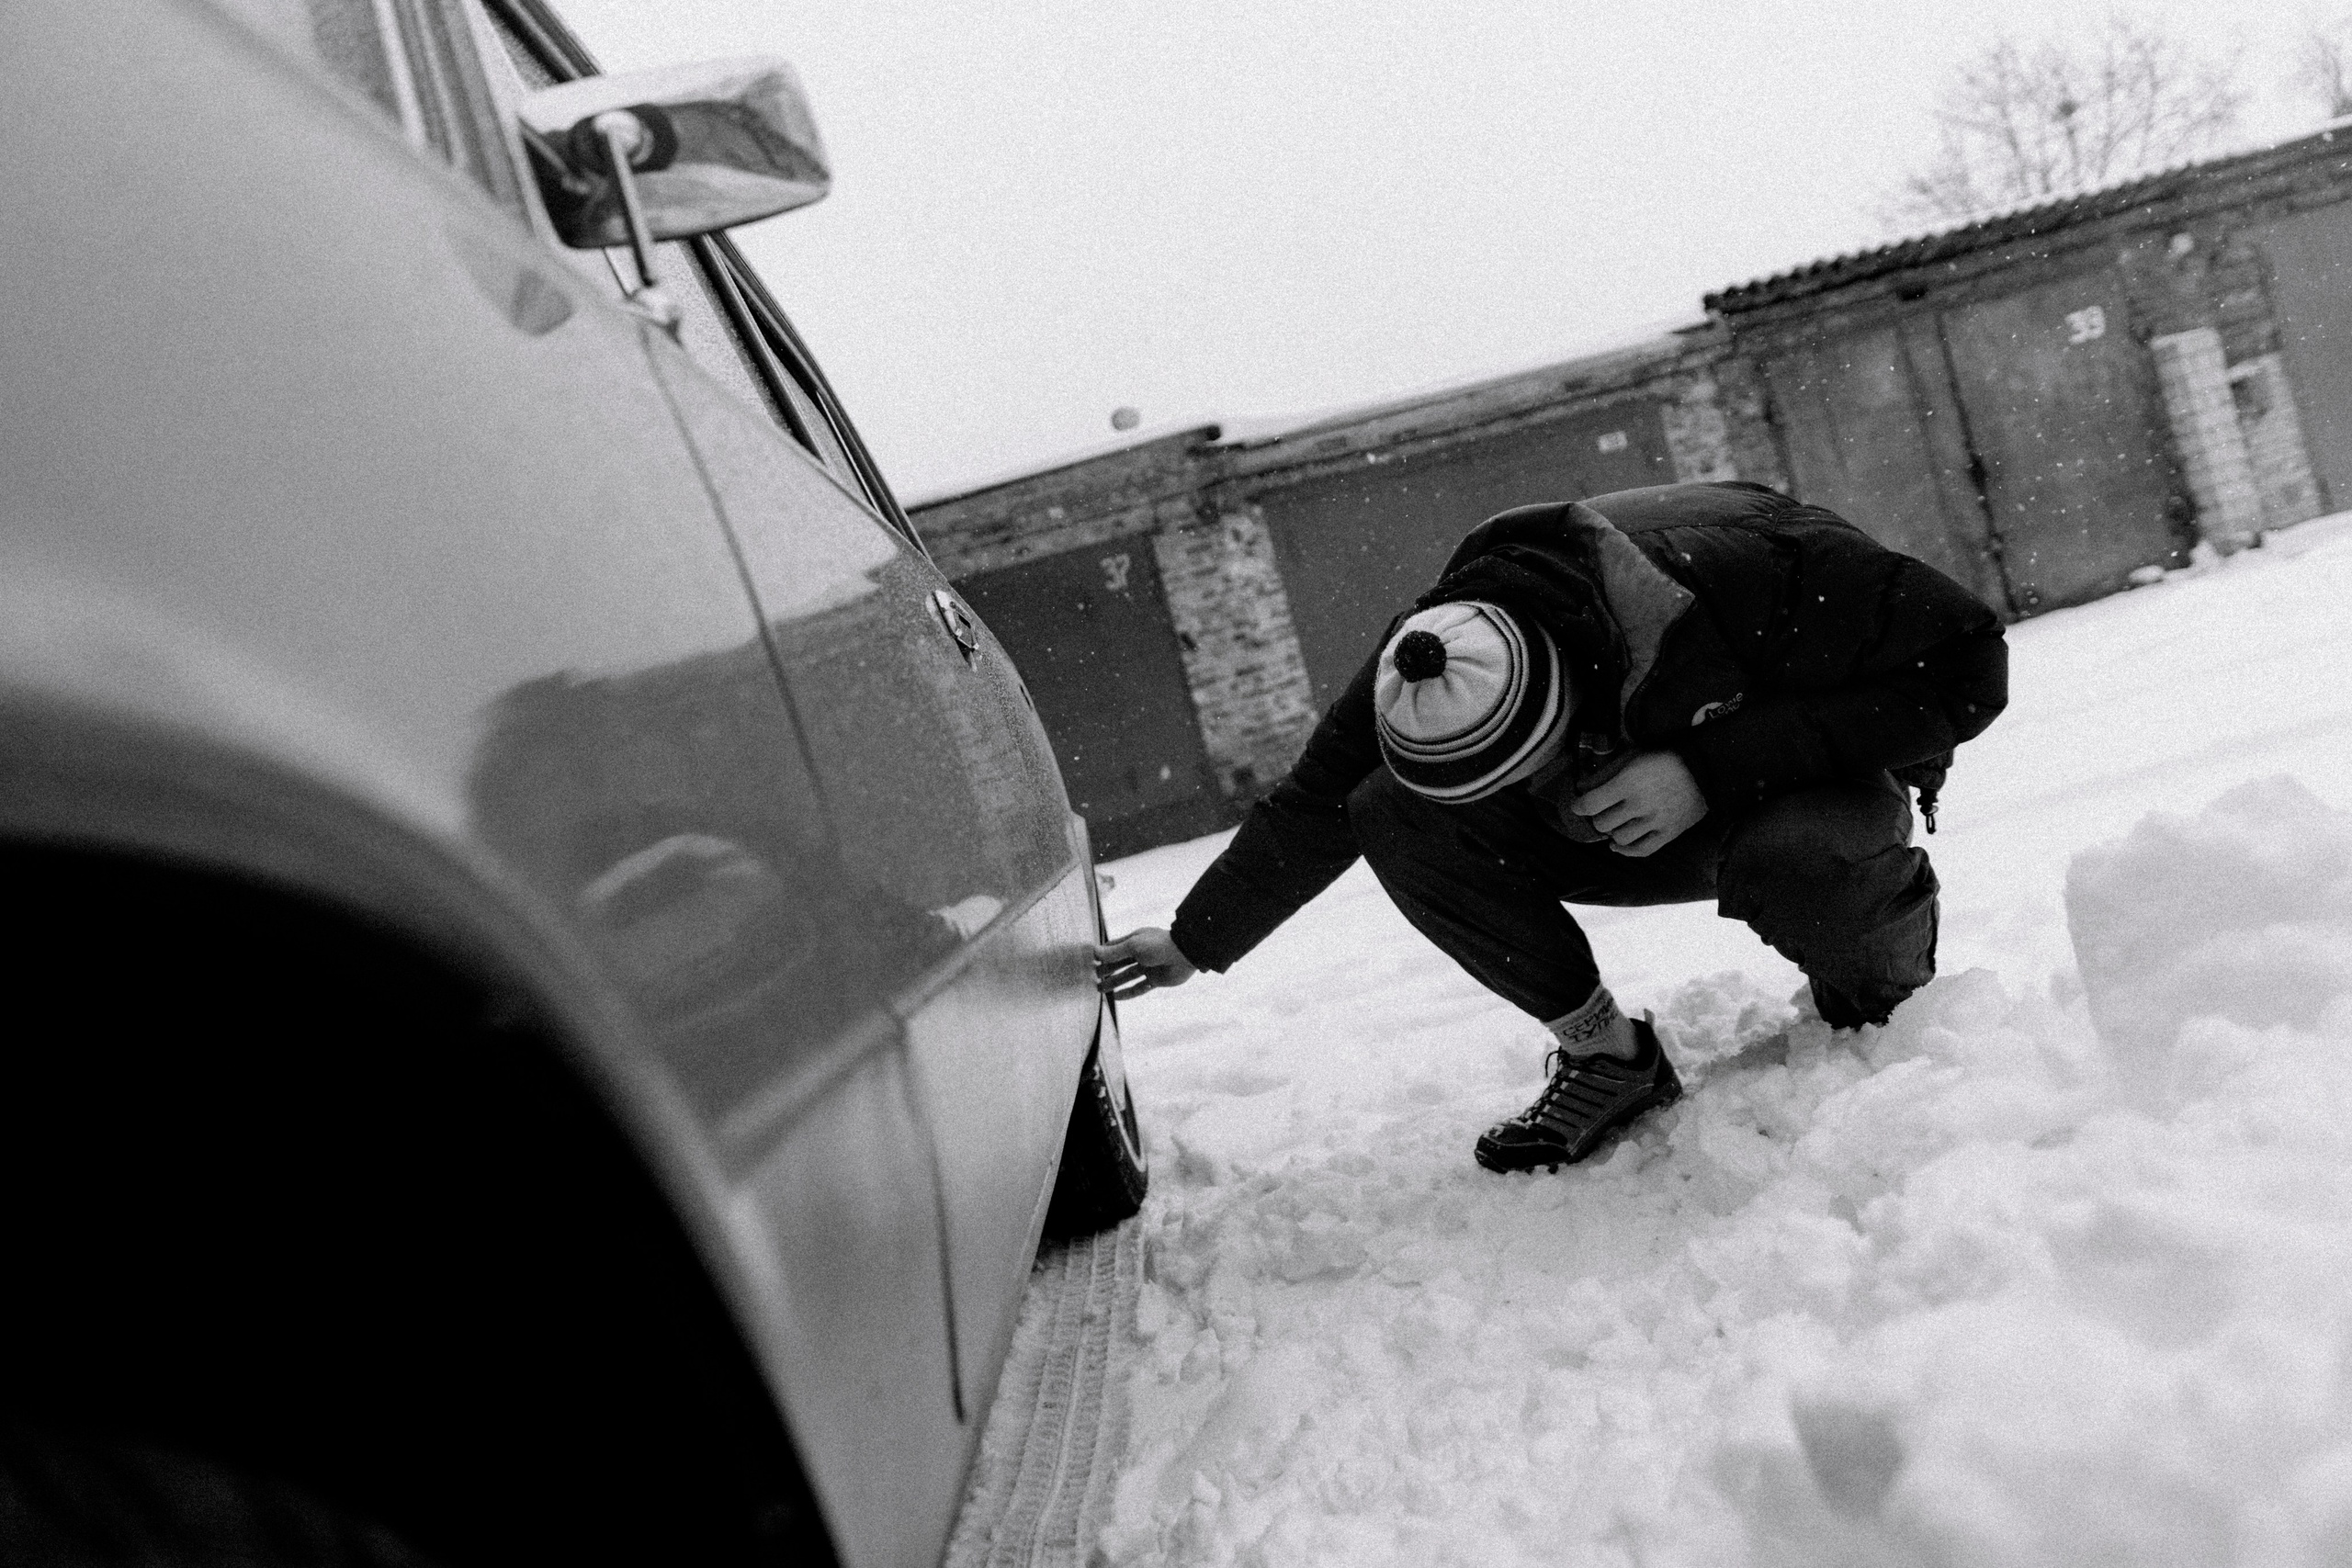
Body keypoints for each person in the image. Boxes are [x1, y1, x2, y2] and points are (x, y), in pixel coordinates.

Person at [1094, 480, 2008, 1173]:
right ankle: (1608, 1060)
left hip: (1803, 777)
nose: (1542, 790)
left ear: (1565, 700)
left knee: (1807, 861)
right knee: (1386, 808)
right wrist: (1192, 940)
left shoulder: (1749, 571)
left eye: (1526, 764)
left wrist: (1705, 767)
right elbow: (1313, 806)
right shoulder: (1430, 655)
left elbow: (1967, 664)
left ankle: (1884, 1015)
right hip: (1642, 788)